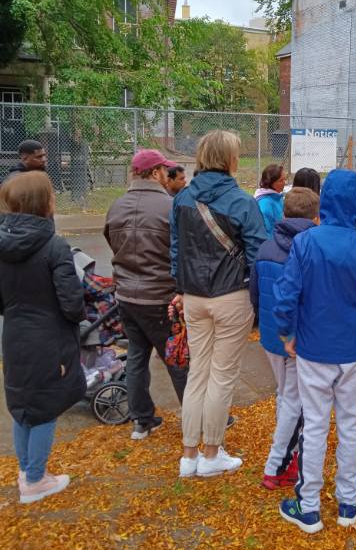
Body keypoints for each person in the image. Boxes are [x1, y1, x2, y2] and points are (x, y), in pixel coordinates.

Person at [273, 169, 356, 533]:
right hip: (354, 351)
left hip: (313, 349)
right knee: (351, 426)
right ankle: (347, 500)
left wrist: (287, 333)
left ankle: (309, 505)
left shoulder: (306, 242)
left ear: (325, 201)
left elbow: (286, 294)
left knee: (314, 426)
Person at [172, 130, 266, 478]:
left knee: (198, 373)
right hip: (230, 297)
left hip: (193, 298)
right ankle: (211, 454)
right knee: (221, 377)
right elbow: (259, 255)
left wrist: (181, 288)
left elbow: (176, 249)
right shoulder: (242, 202)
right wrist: (258, 298)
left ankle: (188, 455)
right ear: (230, 160)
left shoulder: (181, 199)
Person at [0, 171, 86, 504]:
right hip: (49, 338)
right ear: (45, 202)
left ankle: (27, 471)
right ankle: (35, 480)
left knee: (22, 406)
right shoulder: (54, 246)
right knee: (45, 408)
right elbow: (71, 302)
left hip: (15, 333)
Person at [104, 149, 188, 440]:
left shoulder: (116, 206)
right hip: (160, 298)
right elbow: (182, 252)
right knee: (177, 359)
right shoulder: (170, 207)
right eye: (163, 170)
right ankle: (198, 418)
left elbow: (113, 244)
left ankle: (141, 419)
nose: (167, 174)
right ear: (154, 173)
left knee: (137, 357)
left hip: (127, 296)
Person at [249, 187, 320, 490]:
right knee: (294, 401)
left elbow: (255, 293)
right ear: (315, 217)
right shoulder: (310, 251)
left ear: (283, 213)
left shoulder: (265, 248)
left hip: (270, 335)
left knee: (285, 395)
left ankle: (287, 454)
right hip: (295, 338)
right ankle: (276, 465)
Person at [254, 164, 286, 238]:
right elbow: (265, 233)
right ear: (271, 183)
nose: (285, 182)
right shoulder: (265, 204)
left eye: (285, 179)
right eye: (281, 180)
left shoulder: (277, 197)